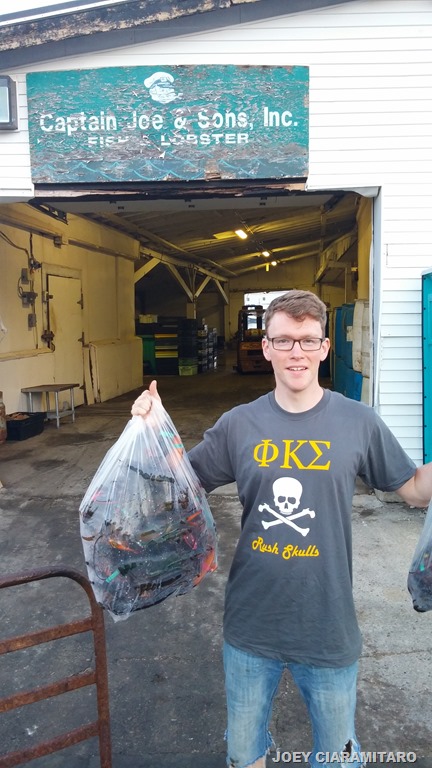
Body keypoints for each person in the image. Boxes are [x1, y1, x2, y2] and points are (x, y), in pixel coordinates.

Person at [131, 289, 432, 768]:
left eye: (308, 340)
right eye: (285, 340)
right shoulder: (239, 424)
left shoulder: (358, 421)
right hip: (252, 624)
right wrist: (152, 431)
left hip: (327, 625)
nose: (297, 352)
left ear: (325, 348)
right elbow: (181, 482)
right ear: (266, 347)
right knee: (244, 753)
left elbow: (415, 490)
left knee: (337, 757)